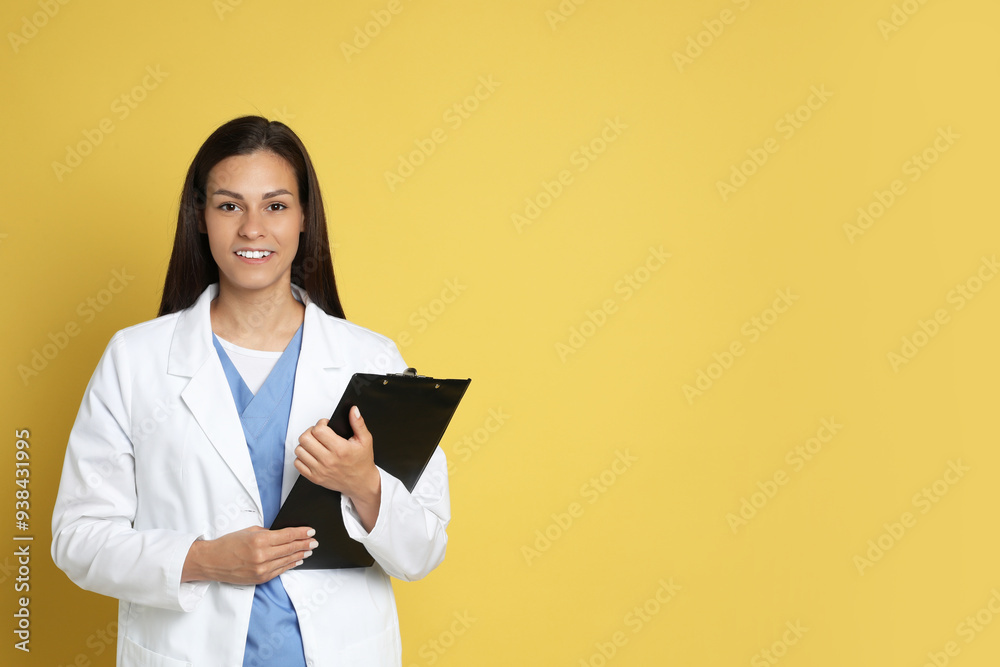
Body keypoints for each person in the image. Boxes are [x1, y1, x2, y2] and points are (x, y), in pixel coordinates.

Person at [51, 116, 450, 667]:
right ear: (201, 217)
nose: (253, 229)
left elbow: (424, 549)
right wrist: (204, 560)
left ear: (305, 218)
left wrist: (365, 486)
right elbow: (78, 538)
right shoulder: (136, 358)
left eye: (276, 206)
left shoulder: (371, 359)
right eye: (229, 205)